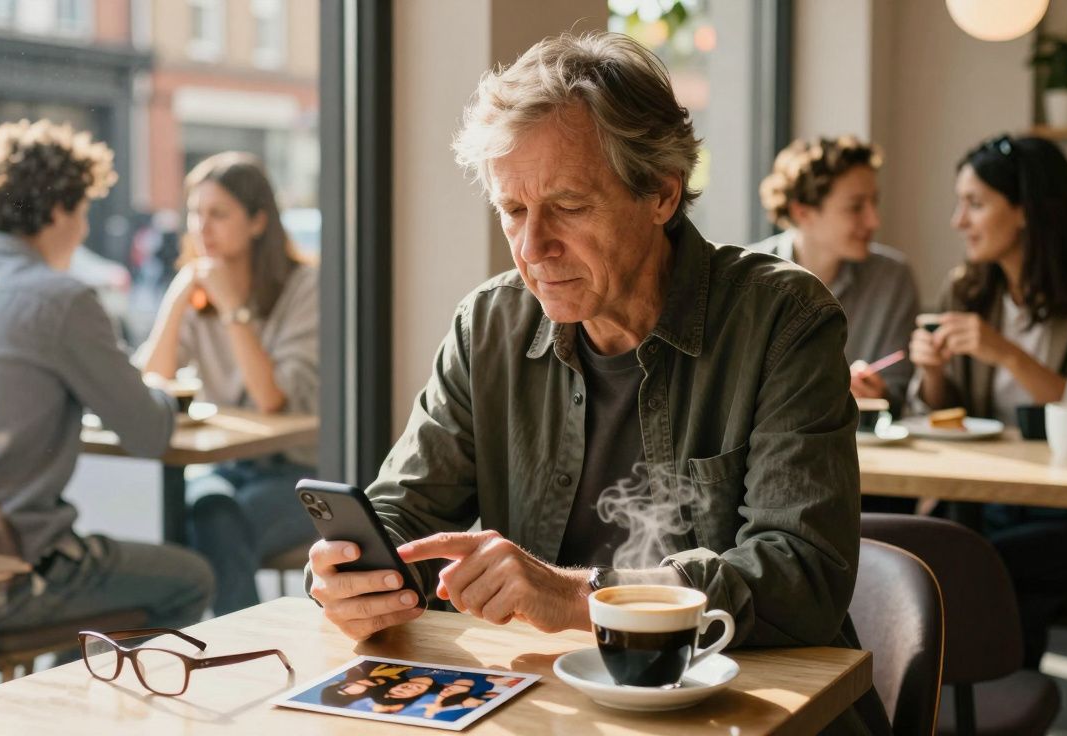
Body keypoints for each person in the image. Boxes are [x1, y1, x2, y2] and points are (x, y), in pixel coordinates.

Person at [306, 32, 888, 735]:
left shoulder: (783, 318)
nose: (532, 248)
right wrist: (357, 574)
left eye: (569, 205)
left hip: (755, 716)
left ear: (661, 194)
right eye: (513, 211)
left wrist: (582, 596)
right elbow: (406, 515)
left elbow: (802, 578)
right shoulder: (487, 326)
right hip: (563, 712)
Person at [0, 119, 213, 633]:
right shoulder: (60, 300)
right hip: (1, 585)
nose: (83, 229)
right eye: (82, 212)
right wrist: (163, 397)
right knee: (190, 578)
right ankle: (66, 702)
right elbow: (149, 433)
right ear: (58, 211)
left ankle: (59, 695)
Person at [908, 134, 1067, 666]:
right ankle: (964, 708)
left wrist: (1008, 354)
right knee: (920, 559)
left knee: (985, 572)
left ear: (1027, 211)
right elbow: (944, 413)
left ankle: (993, 707)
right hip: (988, 499)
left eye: (976, 204)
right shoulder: (968, 287)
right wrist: (931, 372)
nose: (959, 220)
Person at [136, 152, 319, 615]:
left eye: (218, 214)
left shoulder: (304, 287)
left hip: (301, 474)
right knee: (199, 513)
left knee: (217, 524)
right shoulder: (198, 296)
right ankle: (233, 659)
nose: (202, 228)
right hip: (225, 468)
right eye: (195, 214)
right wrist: (177, 303)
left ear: (258, 222)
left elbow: (271, 399)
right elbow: (149, 386)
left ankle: (225, 661)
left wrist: (234, 309)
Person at [754, 136, 919, 417]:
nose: (874, 221)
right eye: (856, 207)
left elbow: (901, 395)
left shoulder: (892, 279)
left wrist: (879, 393)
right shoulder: (750, 280)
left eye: (874, 203)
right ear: (802, 212)